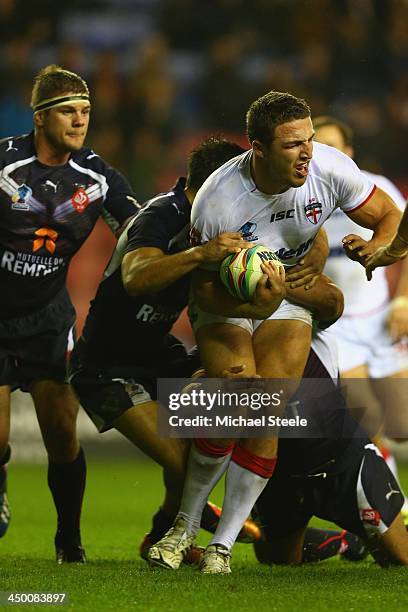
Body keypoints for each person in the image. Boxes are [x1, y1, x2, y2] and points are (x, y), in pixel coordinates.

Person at [148, 90, 402, 574]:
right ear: (258, 149)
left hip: (286, 293)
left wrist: (376, 248)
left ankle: (221, 546)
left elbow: (389, 216)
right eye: (292, 145)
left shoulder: (329, 168)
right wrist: (254, 299)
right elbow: (202, 294)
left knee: (271, 407)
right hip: (227, 296)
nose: (307, 153)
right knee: (233, 400)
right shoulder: (218, 199)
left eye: (308, 140)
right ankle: (184, 523)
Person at [68, 137, 268, 552]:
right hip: (105, 366)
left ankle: (170, 525)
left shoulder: (215, 223)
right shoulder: (163, 214)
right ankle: (188, 520)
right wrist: (200, 255)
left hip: (158, 354)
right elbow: (135, 278)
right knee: (184, 459)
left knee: (232, 407)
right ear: (219, 182)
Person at [0, 65, 139, 562]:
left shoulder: (98, 177)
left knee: (62, 437)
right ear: (40, 118)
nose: (80, 121)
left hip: (47, 319)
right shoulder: (4, 164)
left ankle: (69, 541)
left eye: (85, 111)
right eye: (68, 111)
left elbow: (140, 227)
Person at [253, 329, 408, 567]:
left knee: (401, 559)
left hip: (339, 458)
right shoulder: (227, 326)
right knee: (276, 561)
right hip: (279, 470)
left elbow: (331, 302)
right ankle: (344, 541)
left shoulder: (308, 310)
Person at [313, 115, 408, 490]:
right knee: (370, 425)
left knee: (402, 425)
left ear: (349, 153)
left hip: (382, 318)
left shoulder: (376, 189)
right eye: (320, 148)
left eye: (335, 147)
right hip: (337, 329)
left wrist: (403, 301)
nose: (328, 155)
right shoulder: (303, 196)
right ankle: (393, 510)